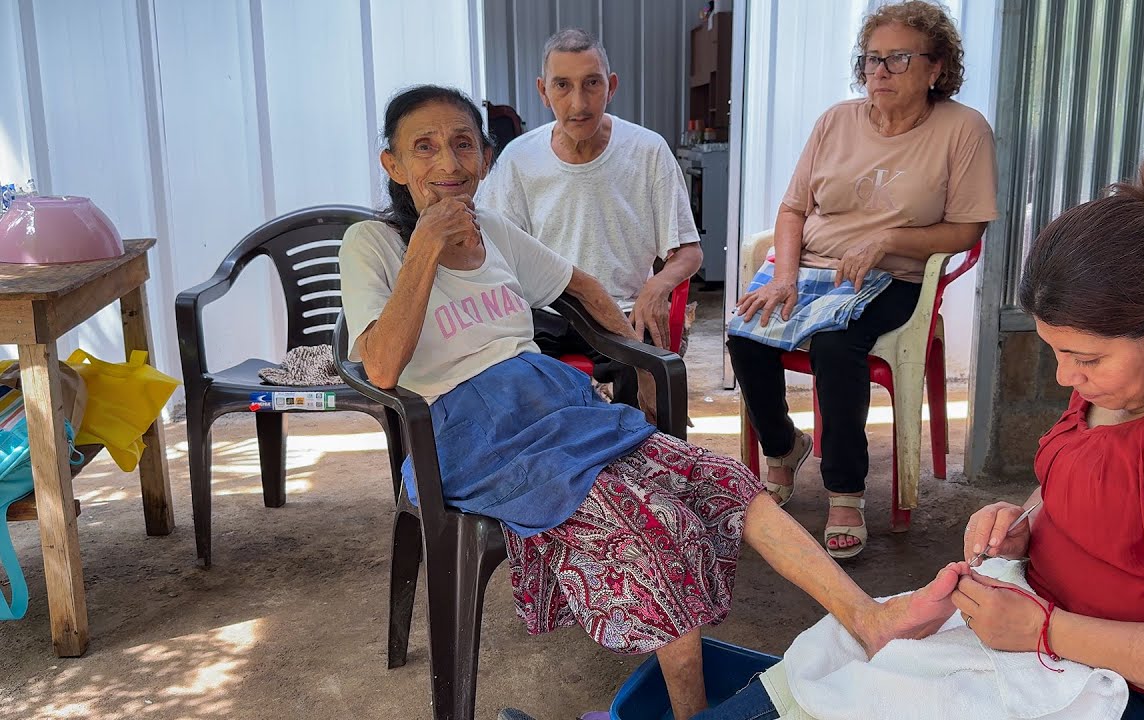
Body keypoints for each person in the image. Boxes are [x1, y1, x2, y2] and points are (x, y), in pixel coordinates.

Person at [339, 84, 965, 720]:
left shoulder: (493, 229)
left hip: (552, 408)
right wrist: (423, 249)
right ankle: (690, 713)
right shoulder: (373, 244)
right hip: (468, 436)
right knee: (648, 523)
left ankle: (869, 615)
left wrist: (638, 369)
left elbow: (577, 285)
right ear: (393, 164)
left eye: (462, 144)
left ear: (485, 157)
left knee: (722, 479)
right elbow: (382, 366)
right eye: (424, 147)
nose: (447, 163)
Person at [695, 146, 1144, 719]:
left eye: (1085, 359)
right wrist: (1025, 521)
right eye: (1056, 352)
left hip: (1140, 689)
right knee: (841, 655)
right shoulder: (1138, 366)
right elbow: (1097, 476)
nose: (1065, 377)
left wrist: (1045, 631)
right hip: (1036, 627)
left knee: (863, 687)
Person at [726, 0, 997, 559]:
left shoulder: (962, 130)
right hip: (811, 267)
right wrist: (781, 275)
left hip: (892, 276)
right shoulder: (835, 120)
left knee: (836, 344)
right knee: (745, 329)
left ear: (936, 68)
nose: (879, 71)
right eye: (872, 59)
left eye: (898, 59)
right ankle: (783, 449)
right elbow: (793, 209)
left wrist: (890, 240)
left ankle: (845, 491)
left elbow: (967, 229)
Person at [476, 27, 703, 405]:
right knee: (510, 389)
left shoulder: (647, 151)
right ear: (543, 91)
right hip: (543, 313)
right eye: (562, 85)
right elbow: (495, 253)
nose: (578, 103)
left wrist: (657, 285)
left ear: (611, 86)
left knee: (645, 391)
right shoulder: (519, 159)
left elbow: (690, 251)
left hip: (623, 312)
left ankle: (644, 459)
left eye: (591, 84)